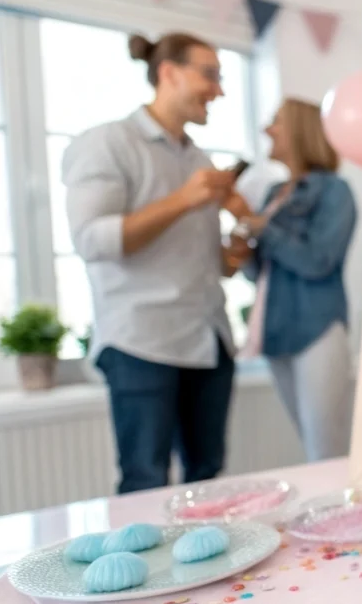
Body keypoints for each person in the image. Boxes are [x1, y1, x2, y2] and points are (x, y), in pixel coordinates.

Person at [63, 32, 237, 494]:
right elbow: (92, 239)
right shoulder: (108, 144)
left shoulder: (198, 158)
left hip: (208, 339)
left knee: (208, 483)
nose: (218, 90)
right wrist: (184, 199)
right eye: (210, 74)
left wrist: (229, 257)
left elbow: (195, 258)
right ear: (168, 72)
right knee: (145, 482)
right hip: (142, 343)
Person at [225, 98, 358, 462]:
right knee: (308, 438)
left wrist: (261, 227)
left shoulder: (335, 192)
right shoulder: (272, 195)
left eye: (276, 122)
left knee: (325, 445)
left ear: (300, 130)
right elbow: (260, 275)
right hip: (277, 331)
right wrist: (245, 241)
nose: (268, 130)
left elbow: (318, 261)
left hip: (317, 327)